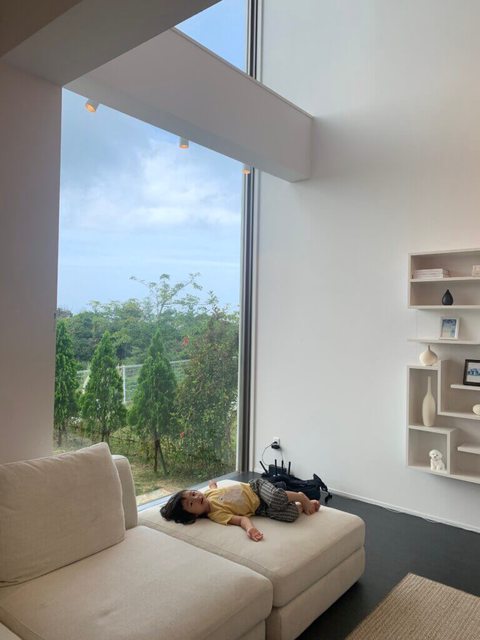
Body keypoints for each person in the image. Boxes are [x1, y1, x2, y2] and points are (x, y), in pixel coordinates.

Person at [160, 478, 320, 542]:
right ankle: (301, 506)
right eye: (191, 504)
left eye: (193, 494)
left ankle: (301, 497)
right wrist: (250, 529)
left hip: (256, 488)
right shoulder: (216, 514)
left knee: (276, 498)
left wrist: (212, 485)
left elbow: (214, 488)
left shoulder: (208, 493)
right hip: (260, 508)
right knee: (290, 515)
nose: (196, 498)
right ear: (193, 515)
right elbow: (241, 520)